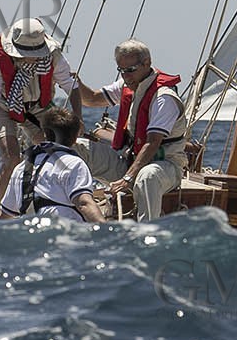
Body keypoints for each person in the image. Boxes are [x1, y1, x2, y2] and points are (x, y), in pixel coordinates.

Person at [0, 18, 81, 207]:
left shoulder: (53, 56)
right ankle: (4, 213)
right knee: (12, 157)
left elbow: (71, 86)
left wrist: (79, 119)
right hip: (4, 106)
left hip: (36, 106)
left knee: (58, 149)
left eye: (36, 52)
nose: (33, 57)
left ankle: (54, 199)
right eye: (27, 53)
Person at [75, 39, 188, 220]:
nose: (125, 76)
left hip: (165, 166)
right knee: (76, 148)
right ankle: (69, 215)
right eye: (121, 70)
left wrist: (127, 179)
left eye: (130, 70)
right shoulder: (127, 85)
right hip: (131, 164)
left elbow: (152, 142)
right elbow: (92, 99)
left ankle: (146, 237)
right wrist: (73, 82)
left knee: (147, 177)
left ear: (146, 63)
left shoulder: (163, 98)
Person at [0, 106, 105, 222]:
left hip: (30, 233)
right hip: (64, 233)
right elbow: (84, 204)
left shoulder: (21, 168)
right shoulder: (74, 164)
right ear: (75, 138)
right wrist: (105, 230)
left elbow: (5, 215)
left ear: (44, 134)